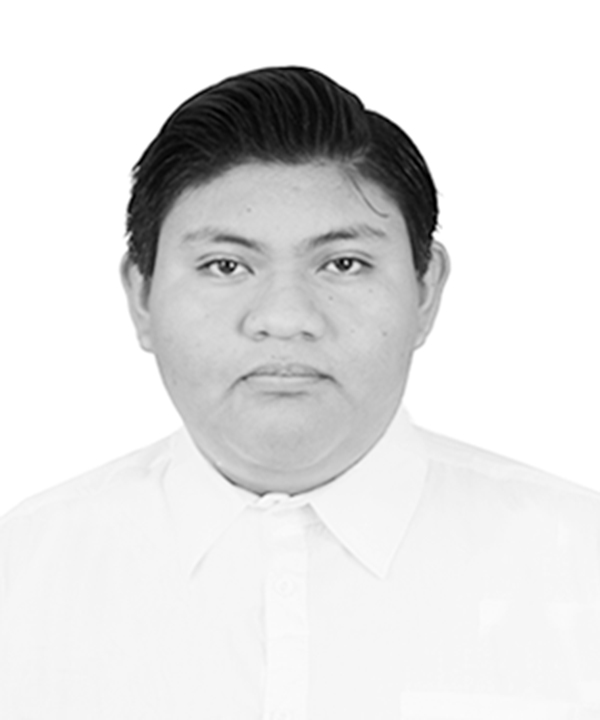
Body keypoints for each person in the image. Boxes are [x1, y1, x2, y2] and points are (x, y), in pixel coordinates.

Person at [1, 66, 599, 720]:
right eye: (226, 265)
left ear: (426, 290)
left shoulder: (580, 565)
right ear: (141, 295)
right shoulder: (20, 576)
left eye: (343, 264)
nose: (285, 318)